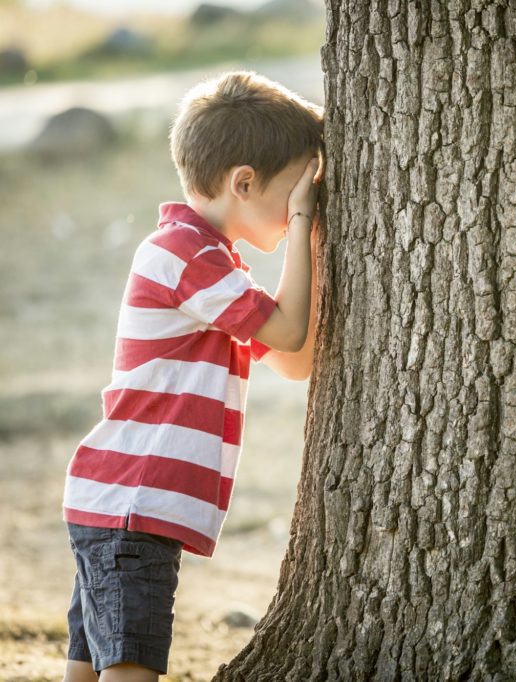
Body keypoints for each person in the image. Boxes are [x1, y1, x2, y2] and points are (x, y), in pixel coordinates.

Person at [61, 71, 323, 682]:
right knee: (130, 664)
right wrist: (307, 231)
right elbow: (286, 334)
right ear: (244, 182)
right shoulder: (187, 254)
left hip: (125, 502)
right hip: (134, 503)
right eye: (296, 195)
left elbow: (294, 358)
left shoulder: (212, 264)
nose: (297, 212)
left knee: (92, 660)